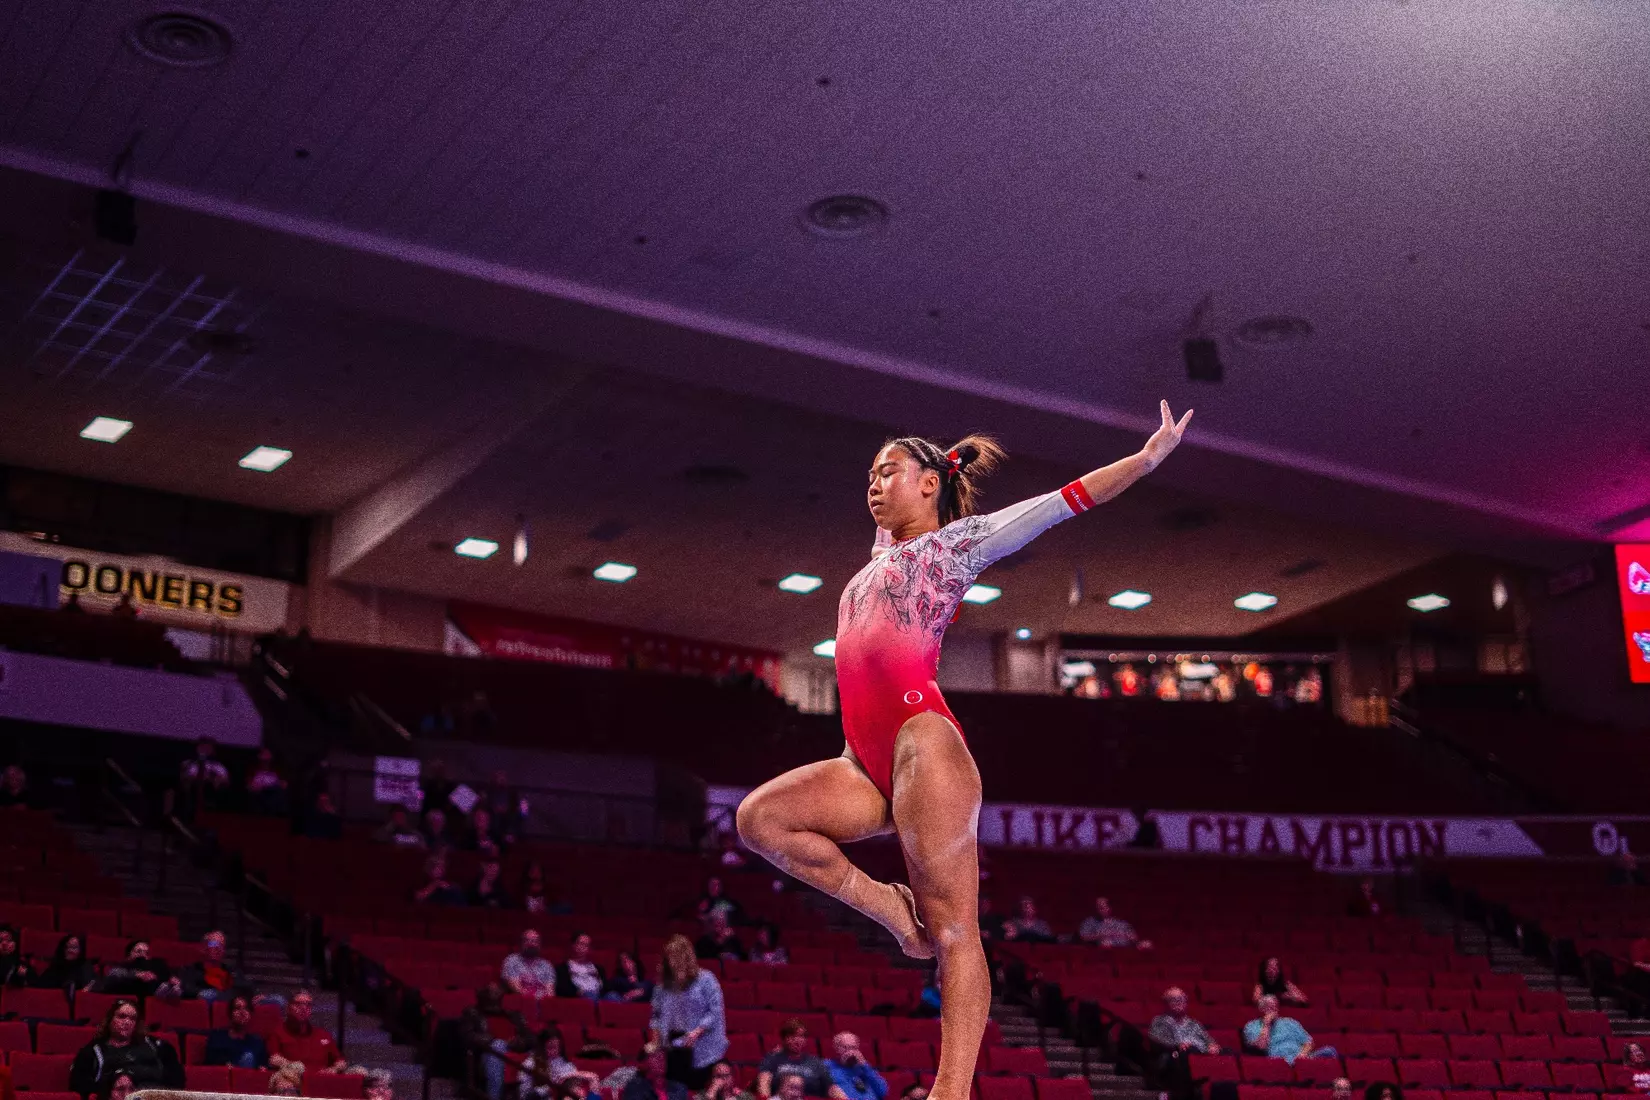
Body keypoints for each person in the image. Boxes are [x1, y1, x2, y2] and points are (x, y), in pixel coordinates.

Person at [735, 403, 1193, 1100]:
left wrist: (1149, 457)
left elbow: (1062, 502)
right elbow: (895, 520)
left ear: (928, 485)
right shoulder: (878, 558)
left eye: (889, 470)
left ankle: (952, 1091)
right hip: (861, 758)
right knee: (759, 821)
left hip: (924, 740)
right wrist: (920, 468)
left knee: (954, 931)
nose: (874, 481)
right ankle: (892, 913)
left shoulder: (956, 545)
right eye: (869, 473)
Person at [649, 934, 728, 1089]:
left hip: (702, 1041)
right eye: (670, 957)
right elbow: (655, 1017)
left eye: (677, 956)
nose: (673, 962)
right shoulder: (662, 986)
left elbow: (715, 1011)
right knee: (676, 1090)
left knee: (698, 1089)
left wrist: (697, 1031)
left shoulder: (706, 979)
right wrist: (655, 1042)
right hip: (673, 1043)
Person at [68, 998, 185, 1098]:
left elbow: (176, 1082)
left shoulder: (159, 1047)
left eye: (132, 1018)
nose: (127, 1022)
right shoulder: (92, 1052)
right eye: (122, 1016)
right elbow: (80, 1085)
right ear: (110, 1020)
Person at [459, 981, 533, 1100]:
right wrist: (494, 1040)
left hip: (515, 1053)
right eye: (490, 992)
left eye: (497, 992)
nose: (494, 994)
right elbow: (468, 1036)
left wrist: (518, 1043)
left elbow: (530, 1039)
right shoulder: (472, 1014)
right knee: (498, 1046)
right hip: (486, 1055)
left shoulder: (514, 1016)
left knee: (536, 1058)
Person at [266, 988, 346, 1075]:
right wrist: (293, 1067)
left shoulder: (323, 1034)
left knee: (359, 1070)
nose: (303, 1008)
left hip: (321, 1080)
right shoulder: (278, 1033)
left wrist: (333, 1069)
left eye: (308, 1005)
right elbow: (274, 1059)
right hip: (292, 1078)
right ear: (288, 1007)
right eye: (298, 1004)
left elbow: (341, 1062)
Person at [756, 1021, 838, 1099]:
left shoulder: (815, 1062)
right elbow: (764, 1083)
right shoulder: (773, 1058)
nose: (797, 1040)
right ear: (784, 1039)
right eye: (793, 1036)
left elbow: (831, 1088)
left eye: (801, 1036)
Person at [1242, 995, 1334, 1064]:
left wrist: (1302, 1055)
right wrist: (1266, 1025)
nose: (1273, 1010)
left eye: (1274, 1007)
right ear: (1260, 1009)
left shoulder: (1290, 1022)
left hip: (1300, 1058)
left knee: (1329, 1051)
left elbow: (1309, 1042)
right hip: (1278, 1062)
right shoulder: (1251, 1026)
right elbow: (1261, 1047)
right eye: (1268, 1007)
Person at [520, 1029, 602, 1098]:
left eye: (558, 1047)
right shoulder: (529, 1064)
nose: (555, 1051)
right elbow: (524, 1095)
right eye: (550, 1047)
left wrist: (576, 1079)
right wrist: (551, 1088)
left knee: (593, 1080)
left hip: (565, 1096)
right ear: (542, 1046)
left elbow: (574, 1084)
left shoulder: (565, 1064)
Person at [203, 994, 271, 1069]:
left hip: (249, 1077)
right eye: (237, 1008)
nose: (242, 1012)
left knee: (248, 1057)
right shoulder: (217, 1037)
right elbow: (210, 1062)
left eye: (246, 1009)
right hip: (226, 1076)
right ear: (230, 1014)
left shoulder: (256, 1042)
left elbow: (263, 1065)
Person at [98, 940, 179, 999]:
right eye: (139, 951)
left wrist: (171, 980)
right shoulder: (124, 965)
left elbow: (165, 976)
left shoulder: (154, 967)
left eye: (146, 953)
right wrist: (137, 975)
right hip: (128, 997)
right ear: (129, 955)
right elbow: (113, 974)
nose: (143, 955)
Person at [1148, 988, 1220, 1054]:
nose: (1179, 1002)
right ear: (1165, 1004)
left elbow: (1207, 1038)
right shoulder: (1159, 1021)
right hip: (1178, 1055)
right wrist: (1178, 1045)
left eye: (1182, 999)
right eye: (1173, 999)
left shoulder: (1194, 1023)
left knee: (1227, 1051)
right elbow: (1157, 1040)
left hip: (1202, 1053)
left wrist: (1212, 1045)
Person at [176, 930, 241, 1002]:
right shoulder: (190, 971)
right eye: (213, 944)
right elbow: (185, 989)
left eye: (221, 945)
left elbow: (243, 989)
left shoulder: (232, 972)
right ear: (203, 948)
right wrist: (201, 994)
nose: (218, 948)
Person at [827, 1033, 886, 1100]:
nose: (850, 1052)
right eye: (845, 1047)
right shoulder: (827, 1067)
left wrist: (864, 1065)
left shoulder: (864, 1069)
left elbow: (882, 1092)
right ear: (836, 1048)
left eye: (854, 1048)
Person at [623, 1043, 691, 1100]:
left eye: (663, 1057)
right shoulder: (635, 1087)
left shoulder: (680, 1088)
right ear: (644, 1063)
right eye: (656, 1057)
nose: (661, 1060)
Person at [503, 930, 557, 999]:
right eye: (527, 940)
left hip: (541, 1004)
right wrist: (536, 997)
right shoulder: (512, 961)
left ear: (540, 945)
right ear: (521, 943)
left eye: (535, 941)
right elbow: (516, 989)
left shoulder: (546, 965)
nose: (531, 944)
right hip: (520, 1003)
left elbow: (550, 992)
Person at [1077, 898, 1145, 949]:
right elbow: (1083, 937)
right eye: (1098, 907)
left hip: (1123, 949)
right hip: (1101, 952)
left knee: (1146, 945)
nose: (1100, 909)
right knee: (1105, 945)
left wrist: (1137, 941)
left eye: (1103, 907)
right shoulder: (1090, 922)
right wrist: (1101, 935)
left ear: (1109, 908)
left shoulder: (1121, 923)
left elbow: (1133, 937)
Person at [556, 932, 606, 1000]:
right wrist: (578, 992)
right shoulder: (563, 968)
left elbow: (605, 986)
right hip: (580, 998)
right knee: (590, 995)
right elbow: (562, 987)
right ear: (573, 945)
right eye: (581, 944)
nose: (584, 948)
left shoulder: (598, 968)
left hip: (599, 996)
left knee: (613, 996)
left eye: (587, 945)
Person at [246, 748, 288, 815]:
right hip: (260, 795)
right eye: (264, 757)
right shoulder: (253, 771)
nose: (265, 761)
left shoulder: (275, 771)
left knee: (277, 794)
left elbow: (283, 784)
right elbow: (250, 786)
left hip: (273, 794)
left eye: (267, 758)